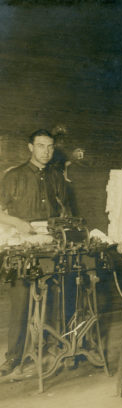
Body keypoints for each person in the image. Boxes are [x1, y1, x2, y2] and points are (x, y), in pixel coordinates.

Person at [0, 129, 71, 376]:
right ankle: (14, 357)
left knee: (53, 295)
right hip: (23, 244)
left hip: (50, 244)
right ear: (30, 147)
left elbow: (65, 213)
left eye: (50, 147)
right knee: (21, 300)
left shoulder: (57, 177)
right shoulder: (14, 176)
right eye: (41, 146)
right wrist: (18, 223)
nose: (46, 151)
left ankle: (53, 348)